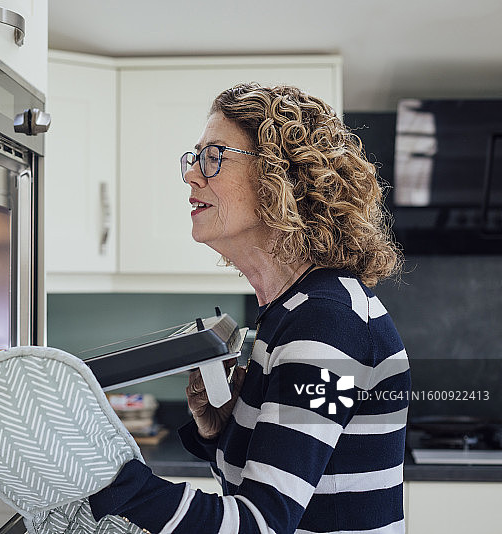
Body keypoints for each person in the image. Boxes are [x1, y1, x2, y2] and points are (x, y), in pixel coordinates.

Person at [86, 83, 411, 534]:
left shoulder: (327, 322)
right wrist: (220, 430)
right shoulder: (295, 310)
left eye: (214, 156)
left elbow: (259, 524)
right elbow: (308, 477)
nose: (192, 175)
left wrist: (111, 482)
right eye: (195, 156)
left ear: (280, 178)